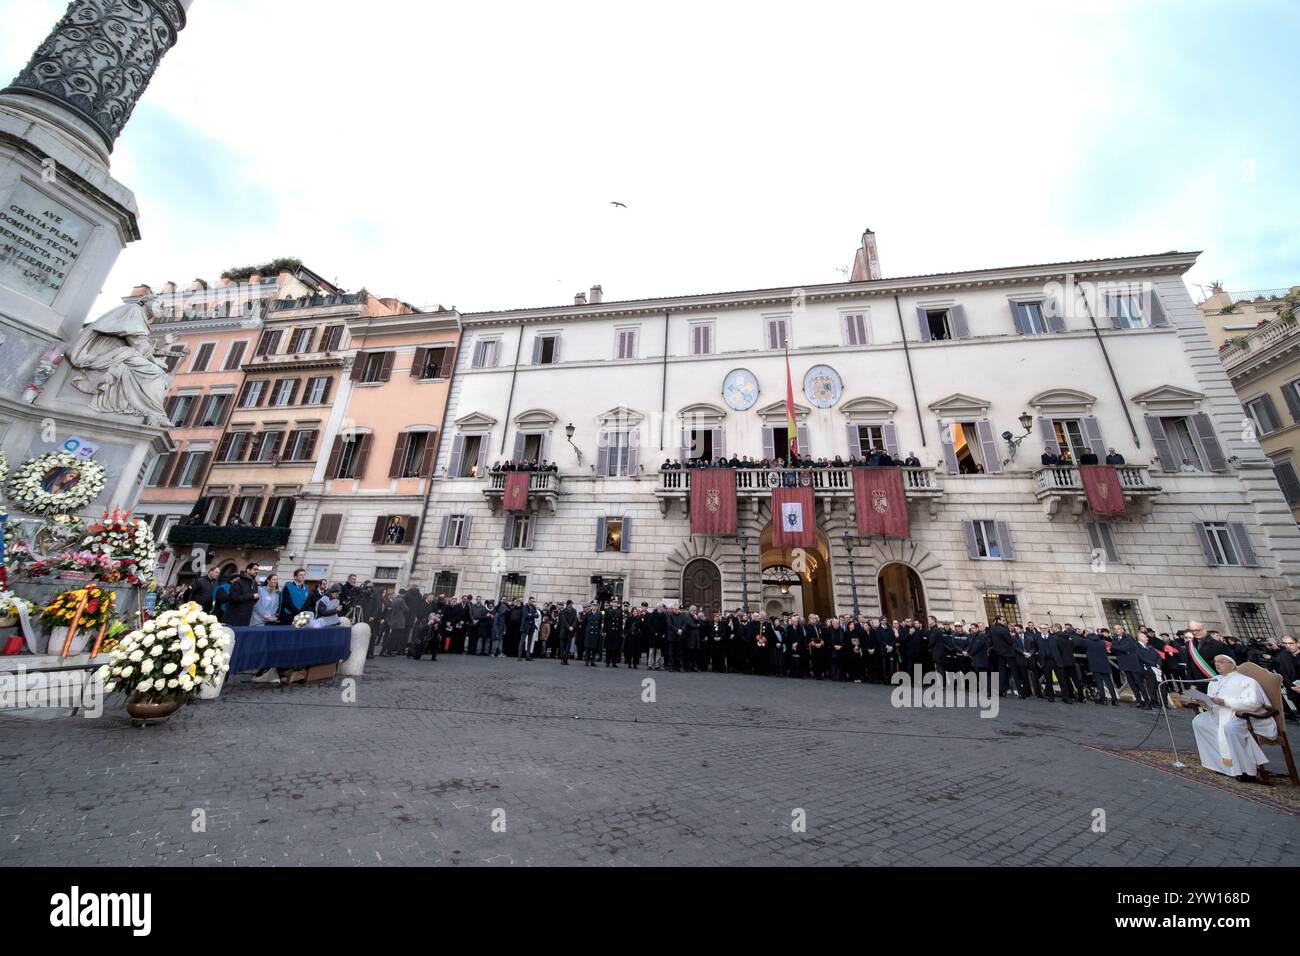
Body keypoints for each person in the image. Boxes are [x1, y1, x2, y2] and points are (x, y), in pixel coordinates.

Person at [1190, 655, 1275, 782]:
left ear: (1233, 665)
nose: (1217, 664)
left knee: (1230, 728)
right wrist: (1205, 703)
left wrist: (1226, 702)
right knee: (1199, 721)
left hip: (1244, 715)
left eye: (1221, 662)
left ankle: (1246, 771)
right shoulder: (1215, 680)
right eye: (1215, 662)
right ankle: (1220, 765)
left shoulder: (1246, 681)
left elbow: (1254, 703)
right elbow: (1212, 703)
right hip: (1220, 714)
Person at [223, 562, 260, 627]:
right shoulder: (238, 582)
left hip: (247, 616)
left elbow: (254, 598)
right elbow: (233, 598)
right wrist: (251, 596)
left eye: (257, 570)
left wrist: (256, 598)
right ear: (248, 570)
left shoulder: (254, 583)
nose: (256, 571)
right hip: (235, 616)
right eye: (255, 569)